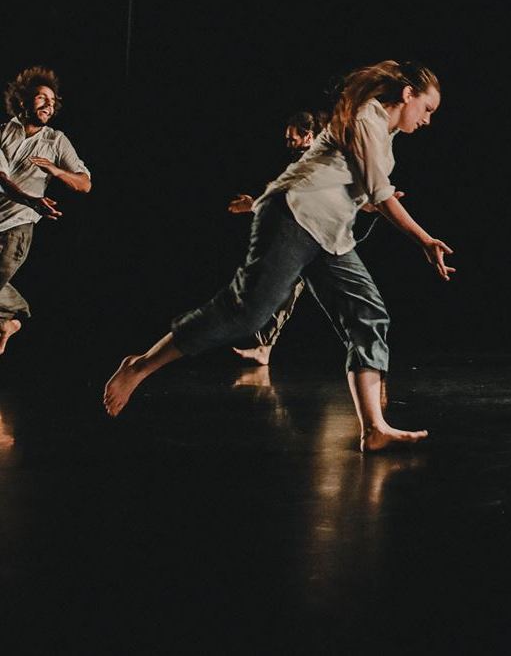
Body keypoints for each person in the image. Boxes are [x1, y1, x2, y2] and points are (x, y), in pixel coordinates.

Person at [103, 61, 453, 451]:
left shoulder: (385, 133)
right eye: (427, 109)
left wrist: (369, 204)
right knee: (246, 313)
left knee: (368, 314)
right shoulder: (365, 117)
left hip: (330, 233)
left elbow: (355, 186)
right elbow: (377, 190)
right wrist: (424, 239)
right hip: (294, 216)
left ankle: (374, 428)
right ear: (407, 94)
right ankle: (140, 365)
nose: (427, 120)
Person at [0, 66, 93, 355]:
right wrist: (30, 198)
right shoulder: (3, 132)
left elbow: (84, 184)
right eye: (42, 98)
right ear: (23, 100)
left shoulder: (56, 140)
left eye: (52, 102)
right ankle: (10, 318)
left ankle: (10, 318)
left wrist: (56, 170)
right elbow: (1, 178)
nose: (48, 105)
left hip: (17, 228)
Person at [226, 110, 324, 365]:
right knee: (283, 289)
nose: (288, 143)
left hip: (319, 241)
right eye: (287, 139)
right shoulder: (302, 160)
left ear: (308, 136)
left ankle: (368, 360)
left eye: (293, 139)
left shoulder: (316, 160)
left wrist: (253, 205)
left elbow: (293, 199)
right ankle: (264, 347)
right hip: (305, 240)